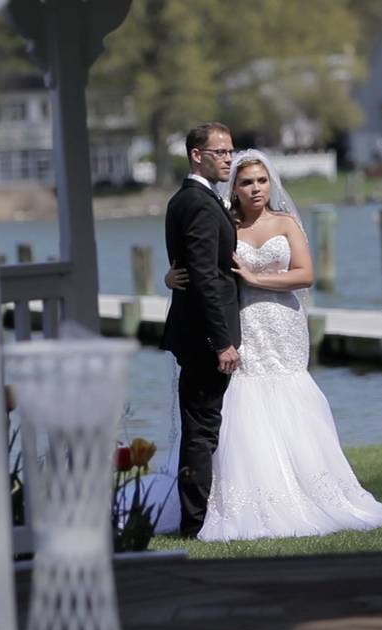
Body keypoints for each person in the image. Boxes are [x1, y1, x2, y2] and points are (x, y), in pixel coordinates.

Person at [164, 149, 382, 541]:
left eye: (261, 181)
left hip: (283, 322)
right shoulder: (225, 224)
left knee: (290, 393)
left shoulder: (286, 222)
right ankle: (245, 495)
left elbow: (305, 274)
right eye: (245, 182)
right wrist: (171, 278)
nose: (255, 189)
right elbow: (205, 270)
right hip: (244, 323)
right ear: (233, 189)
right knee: (245, 398)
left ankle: (308, 487)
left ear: (270, 183)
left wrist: (258, 279)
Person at [160, 122, 241, 538]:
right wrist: (221, 340)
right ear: (197, 155)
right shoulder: (197, 203)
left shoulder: (193, 199)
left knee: (200, 425)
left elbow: (190, 269)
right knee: (202, 429)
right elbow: (205, 277)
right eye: (221, 152)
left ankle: (195, 516)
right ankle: (195, 522)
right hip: (204, 337)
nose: (229, 158)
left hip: (195, 333)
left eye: (230, 151)